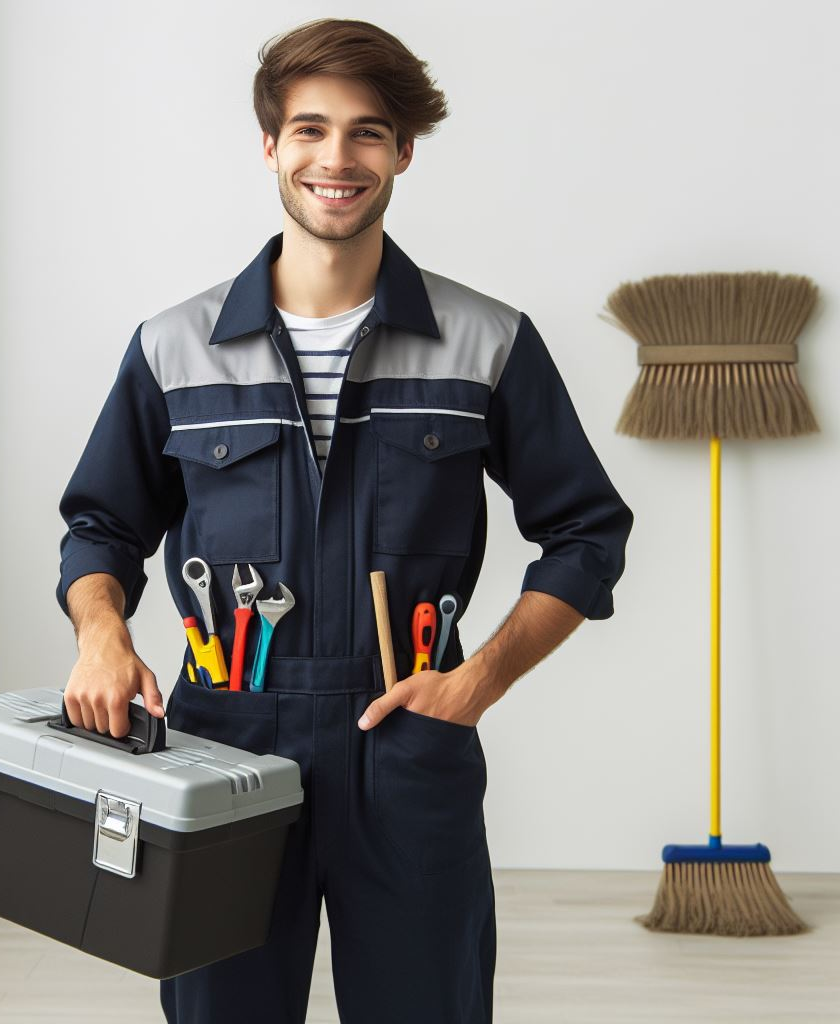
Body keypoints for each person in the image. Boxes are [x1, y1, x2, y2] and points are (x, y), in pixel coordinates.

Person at [55, 17, 633, 1024]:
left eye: (367, 132)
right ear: (270, 145)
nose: (337, 157)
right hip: (224, 746)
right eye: (310, 129)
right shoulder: (173, 345)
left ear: (404, 150)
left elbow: (586, 532)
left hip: (406, 747)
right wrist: (101, 634)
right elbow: (101, 526)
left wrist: (478, 679)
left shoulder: (486, 341)